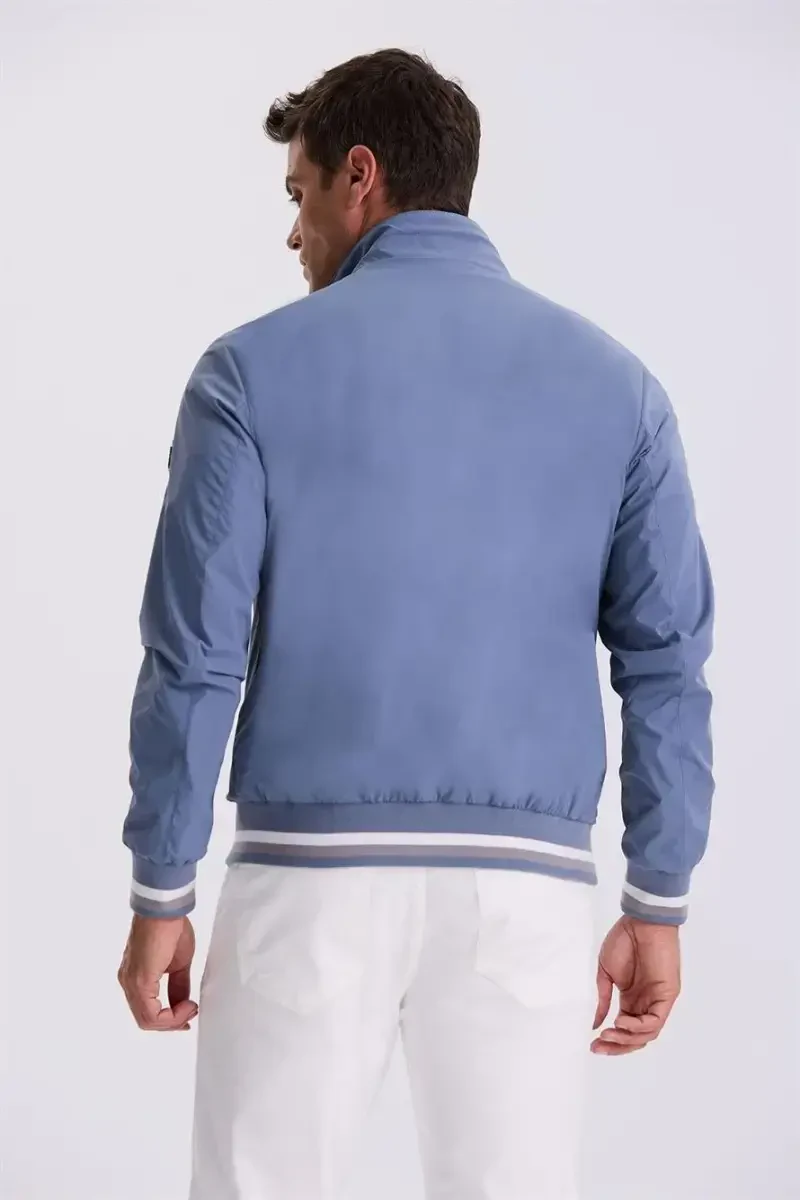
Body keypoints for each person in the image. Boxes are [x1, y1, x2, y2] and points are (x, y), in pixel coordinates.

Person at [117, 48, 714, 1200]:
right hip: (525, 899)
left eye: (297, 195)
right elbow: (665, 663)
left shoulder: (247, 373)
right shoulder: (618, 387)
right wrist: (656, 899)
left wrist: (161, 888)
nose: (292, 235)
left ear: (360, 175)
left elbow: (192, 653)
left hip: (304, 882)